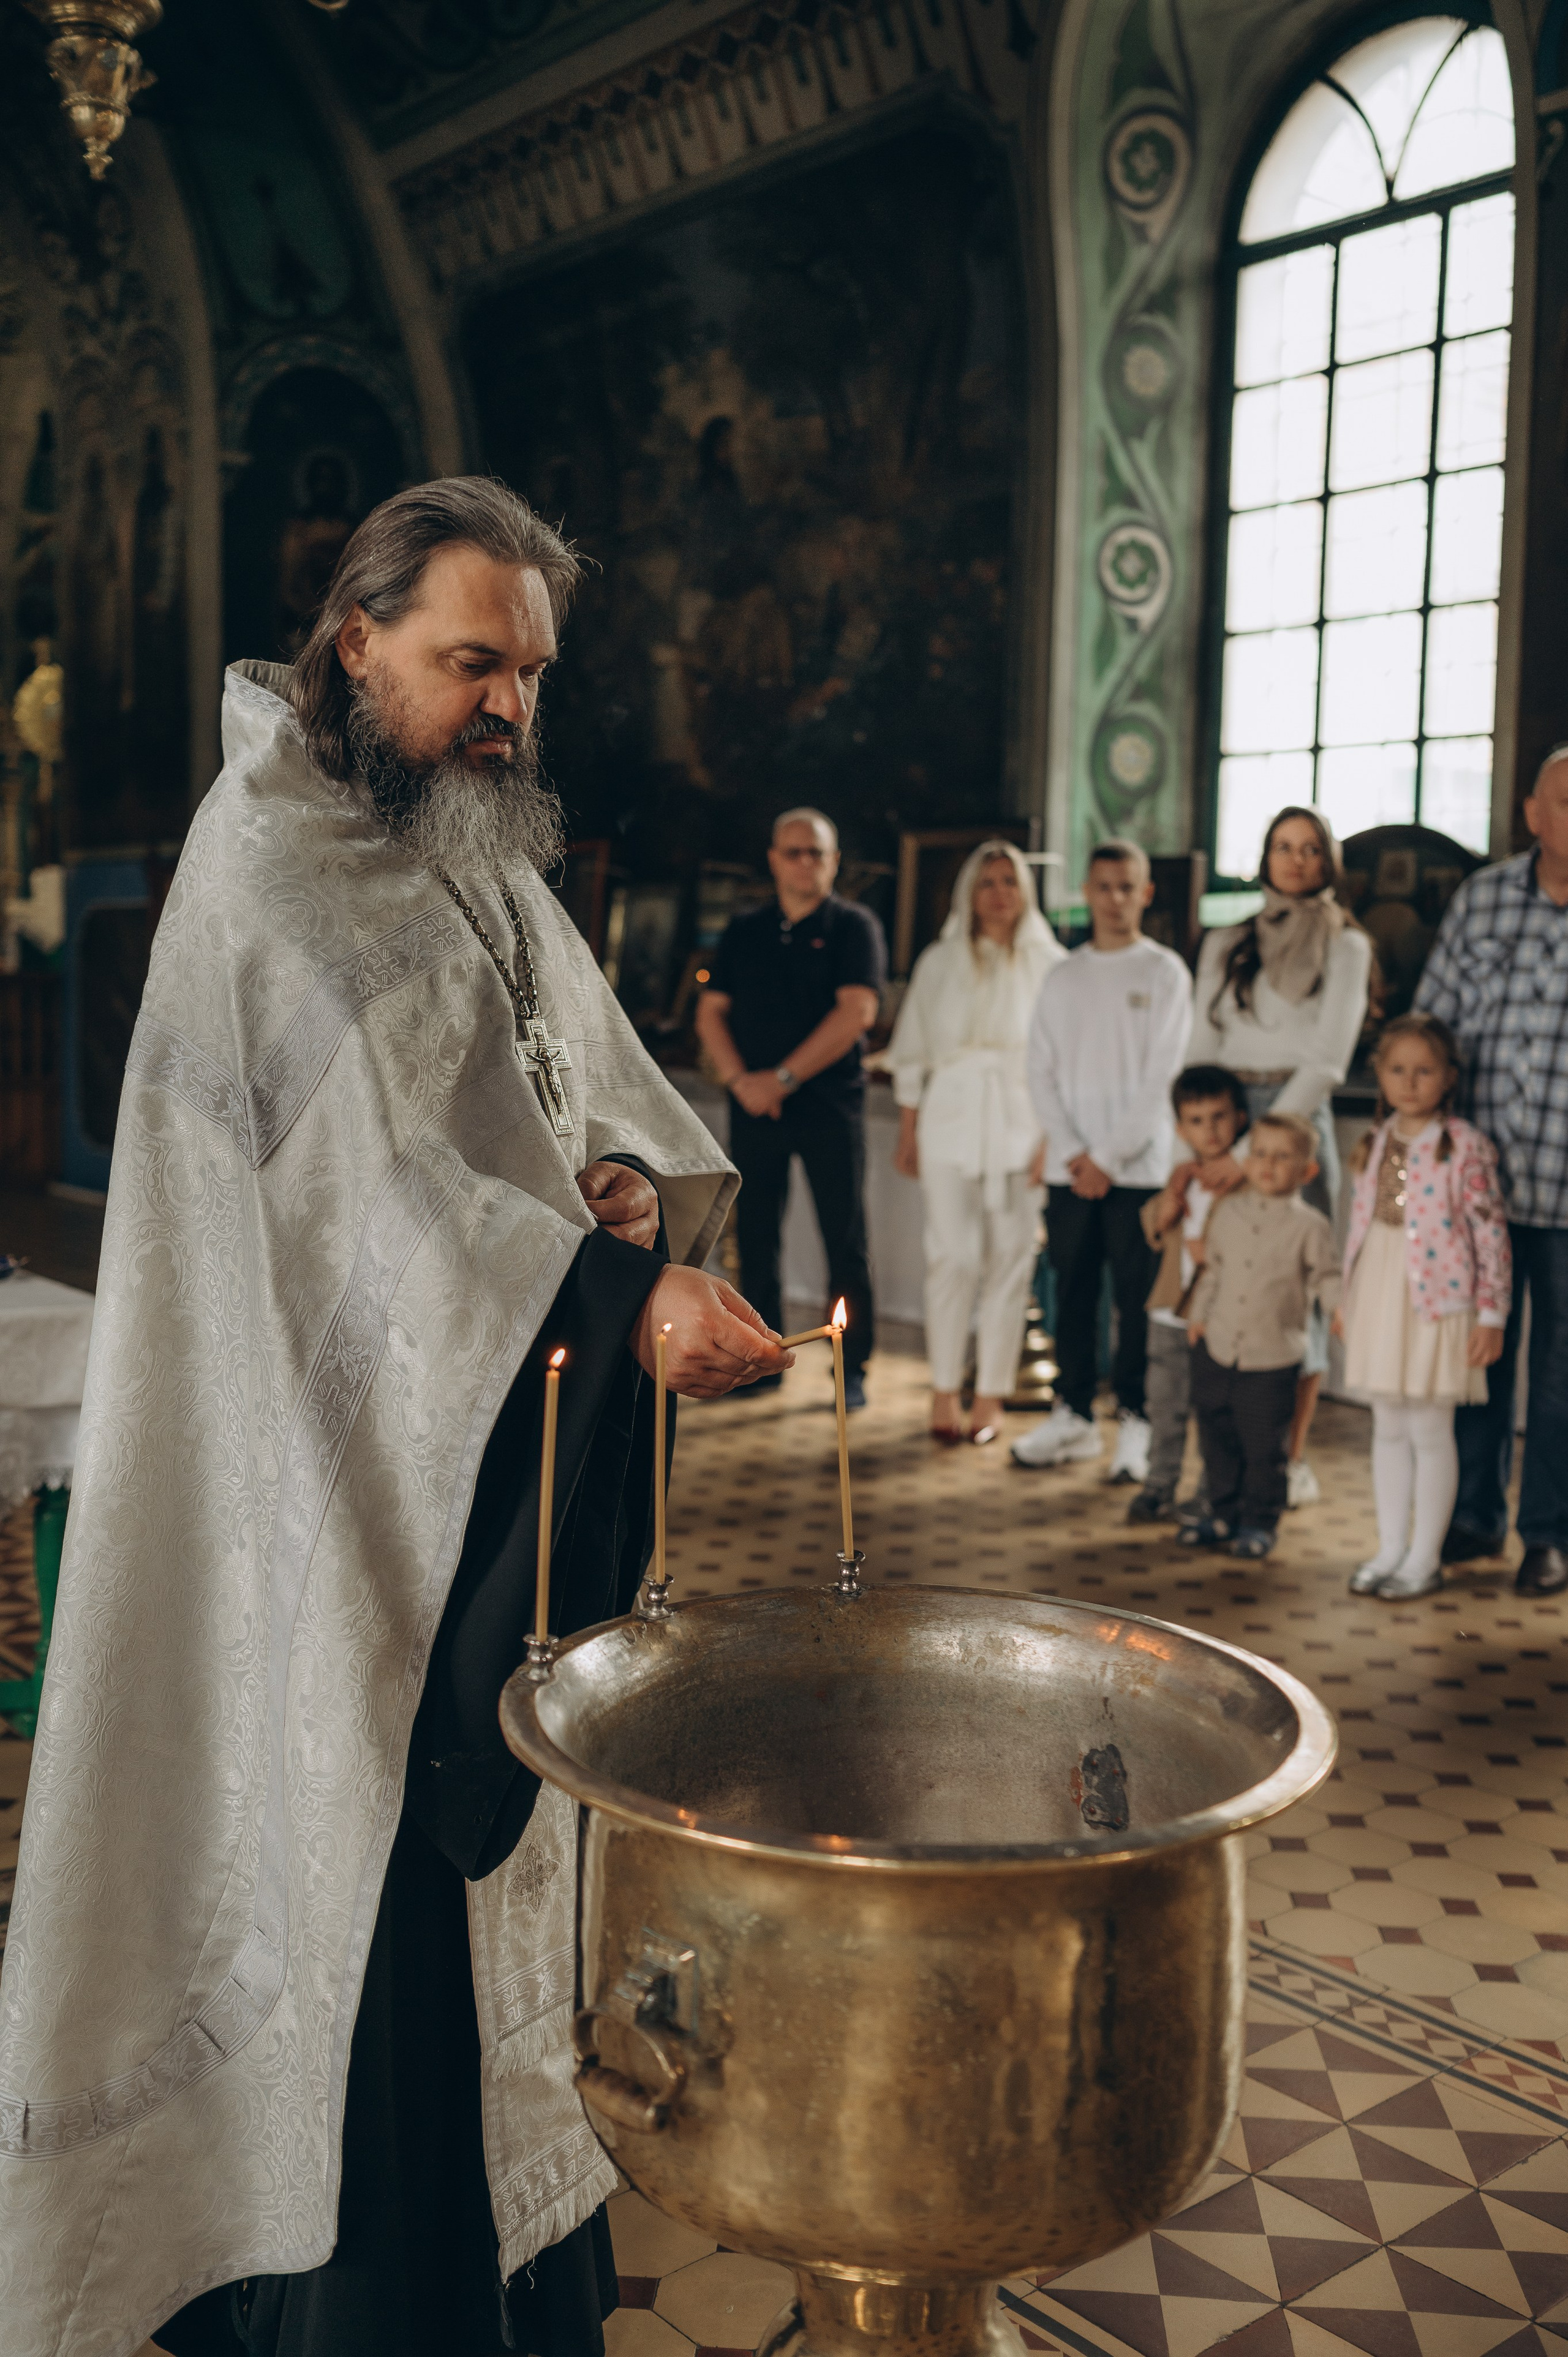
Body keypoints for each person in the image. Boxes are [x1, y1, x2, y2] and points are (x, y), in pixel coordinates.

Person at [0, 480, 793, 2357]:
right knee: (362, 1933)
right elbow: (352, 1214)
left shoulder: (473, 845)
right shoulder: (267, 872)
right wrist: (611, 1296)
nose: (507, 701)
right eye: (469, 661)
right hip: (317, 1506)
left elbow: (545, 1096)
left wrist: (602, 1196)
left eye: (529, 669)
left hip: (480, 1463)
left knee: (489, 1916)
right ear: (351, 641)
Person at [1187, 805, 1373, 1508]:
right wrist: (1203, 1131)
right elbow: (1200, 1043)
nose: (1294, 860)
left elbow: (1326, 1058)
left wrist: (1253, 1151)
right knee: (1226, 1284)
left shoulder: (1346, 944)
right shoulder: (1228, 938)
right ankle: (1223, 1465)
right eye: (1281, 847)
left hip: (1295, 1118)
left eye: (1309, 849)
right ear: (1264, 856)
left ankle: (1287, 1459)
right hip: (1225, 1107)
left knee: (1290, 1289)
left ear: (1328, 863)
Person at [1415, 744, 1568, 1596]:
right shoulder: (1482, 901)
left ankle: (1549, 1533)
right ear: (1533, 813)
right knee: (1478, 1361)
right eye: (1567, 799)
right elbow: (1432, 1030)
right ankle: (1474, 1518)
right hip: (1477, 1191)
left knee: (1561, 1375)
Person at [1012, 839, 1192, 1477]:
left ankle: (1136, 1423)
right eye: (1103, 886)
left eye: (1127, 887)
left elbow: (1162, 1076)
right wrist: (1073, 1153)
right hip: (1070, 1170)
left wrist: (1110, 1158)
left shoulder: (1164, 971)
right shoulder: (1063, 974)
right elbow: (1040, 1070)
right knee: (1073, 1292)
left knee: (1136, 1300)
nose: (1114, 899)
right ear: (1086, 892)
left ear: (1145, 893)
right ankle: (1073, 1414)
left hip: (1136, 1171)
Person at [696, 807, 886, 1409]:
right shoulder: (745, 930)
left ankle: (850, 1367)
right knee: (755, 1239)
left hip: (830, 1107)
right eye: (795, 851)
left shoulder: (854, 926)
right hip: (756, 1108)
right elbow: (709, 1013)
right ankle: (765, 1364)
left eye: (818, 853)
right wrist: (740, 1081)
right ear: (775, 859)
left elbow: (855, 1013)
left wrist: (780, 1078)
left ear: (833, 862)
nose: (806, 862)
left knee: (845, 1239)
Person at [888, 840, 1066, 1442]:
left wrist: (1053, 1137)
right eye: (987, 881)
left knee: (1012, 1260)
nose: (999, 893)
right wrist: (909, 1128)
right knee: (951, 1256)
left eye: (1009, 881)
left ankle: (990, 1393)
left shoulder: (1052, 963)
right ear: (970, 892)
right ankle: (944, 1388)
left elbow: (1064, 1059)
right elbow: (911, 1048)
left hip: (1025, 1115)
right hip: (950, 1113)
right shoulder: (939, 960)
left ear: (1025, 891)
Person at [1335, 1014, 1510, 1601]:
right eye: (1397, 1070)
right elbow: (1357, 1228)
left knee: (1431, 1430)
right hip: (1381, 1292)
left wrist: (1492, 1314)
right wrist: (1346, 1300)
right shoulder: (1374, 1141)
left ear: (1449, 1078)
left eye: (1424, 1070)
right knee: (1387, 1425)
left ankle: (1424, 1557)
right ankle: (1389, 1547)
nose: (1410, 1083)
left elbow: (1490, 1235)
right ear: (1380, 1075)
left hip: (1438, 1301)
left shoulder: (1464, 1146)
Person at [1183, 1111, 1342, 1560]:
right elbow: (1213, 1270)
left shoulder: (1310, 1226)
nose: (1267, 1165)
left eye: (1282, 1157)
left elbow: (1326, 1276)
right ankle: (1223, 1512)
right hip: (1217, 1345)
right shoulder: (1229, 1211)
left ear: (1307, 1171)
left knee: (1264, 1447)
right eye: (1259, 1154)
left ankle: (1259, 1521)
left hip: (1272, 1356)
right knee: (1217, 1436)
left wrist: (1339, 1310)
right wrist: (1199, 1316)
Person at [1128, 1063, 1250, 1524]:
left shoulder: (1246, 1181)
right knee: (1165, 1403)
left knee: (1215, 1412)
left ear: (1239, 1119)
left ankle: (1211, 1494)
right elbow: (1153, 1227)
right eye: (1197, 1121)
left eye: (1219, 1117)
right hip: (1169, 1313)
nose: (1210, 1131)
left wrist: (1210, 1250)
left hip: (1217, 1318)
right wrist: (1168, 1207)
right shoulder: (1182, 1176)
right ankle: (1159, 1483)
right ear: (1181, 1128)